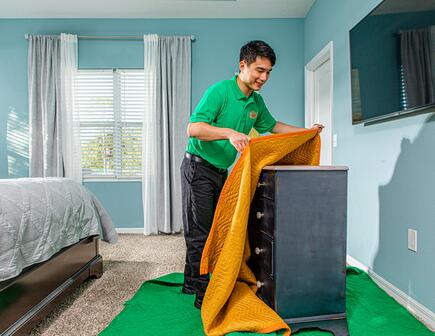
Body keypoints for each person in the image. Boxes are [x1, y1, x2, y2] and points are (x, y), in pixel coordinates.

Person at [180, 40, 323, 309]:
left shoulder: (256, 101)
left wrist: (308, 132)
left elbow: (274, 126)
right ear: (242, 66)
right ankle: (203, 295)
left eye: (268, 72)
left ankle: (190, 283)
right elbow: (193, 128)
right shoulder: (220, 92)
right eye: (259, 70)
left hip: (221, 171)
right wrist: (230, 133)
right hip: (197, 167)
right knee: (201, 232)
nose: (264, 77)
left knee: (215, 231)